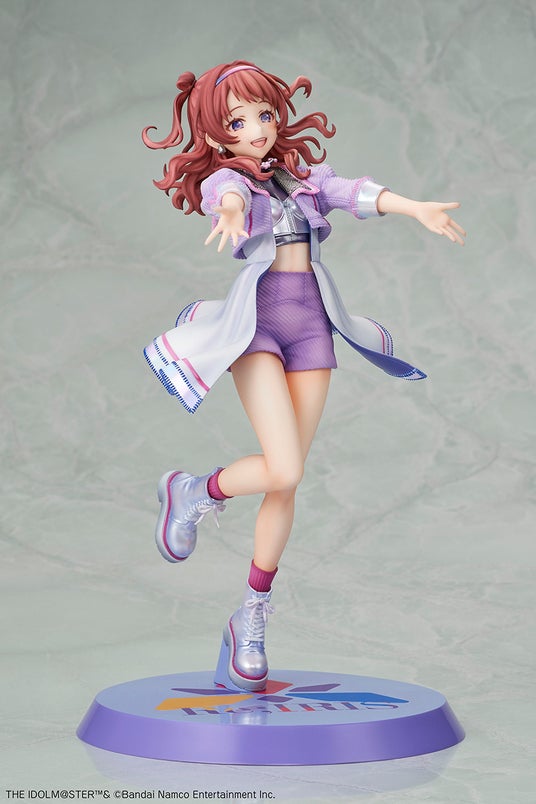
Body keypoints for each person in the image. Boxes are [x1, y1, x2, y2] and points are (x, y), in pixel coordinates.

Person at [142, 60, 465, 692]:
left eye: (264, 114)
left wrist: (413, 207)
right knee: (283, 467)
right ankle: (196, 490)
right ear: (217, 134)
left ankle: (250, 614)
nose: (257, 129)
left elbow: (354, 192)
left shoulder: (304, 178)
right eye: (239, 121)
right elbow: (225, 195)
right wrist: (231, 210)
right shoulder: (229, 179)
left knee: (286, 481)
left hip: (313, 325)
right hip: (258, 325)